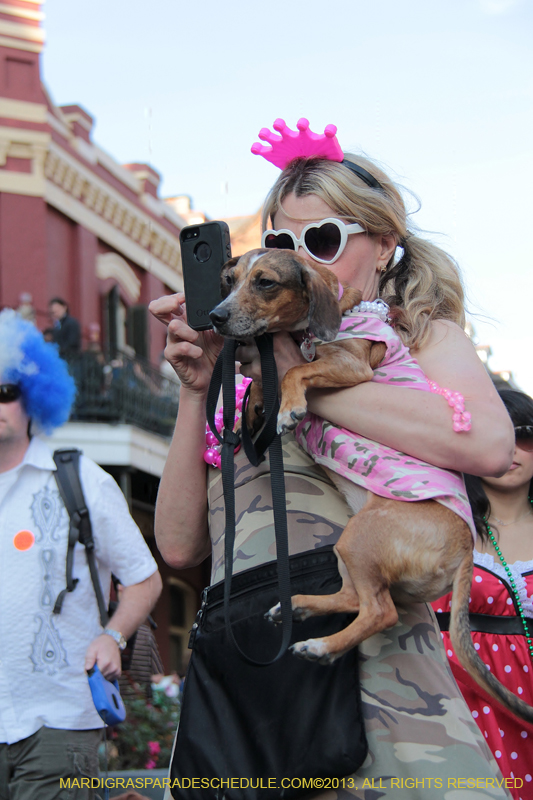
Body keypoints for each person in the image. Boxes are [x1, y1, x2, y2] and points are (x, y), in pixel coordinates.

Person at [149, 118, 515, 799]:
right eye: (284, 244)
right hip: (256, 673)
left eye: (322, 240)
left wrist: (299, 381)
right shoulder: (239, 368)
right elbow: (177, 546)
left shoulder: (413, 335)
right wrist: (197, 393)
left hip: (381, 685)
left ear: (383, 246)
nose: (303, 263)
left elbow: (490, 446)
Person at [0, 309, 163, 800]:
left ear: (32, 395)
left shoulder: (78, 479)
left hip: (57, 723)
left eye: (5, 389)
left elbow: (144, 579)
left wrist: (113, 635)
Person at [433, 389, 533, 799]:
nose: (508, 446)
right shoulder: (439, 515)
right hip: (449, 688)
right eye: (493, 432)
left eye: (523, 433)